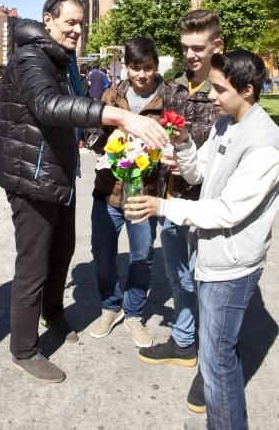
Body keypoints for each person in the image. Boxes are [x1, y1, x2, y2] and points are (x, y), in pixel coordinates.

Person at [0, 0, 168, 384]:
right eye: (69, 22)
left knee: (63, 252)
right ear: (48, 20)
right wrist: (121, 115)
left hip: (57, 175)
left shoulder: (61, 60)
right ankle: (23, 348)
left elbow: (74, 110)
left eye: (80, 24)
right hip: (32, 178)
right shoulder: (31, 58)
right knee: (33, 266)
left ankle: (52, 312)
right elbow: (49, 106)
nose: (76, 30)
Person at [126, 50, 279, 430]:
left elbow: (227, 211)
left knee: (217, 361)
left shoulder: (265, 144)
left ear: (247, 90)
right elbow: (200, 174)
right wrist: (181, 144)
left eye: (219, 89)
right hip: (212, 254)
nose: (211, 97)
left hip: (233, 265)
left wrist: (163, 208)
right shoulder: (227, 122)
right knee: (216, 356)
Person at [137, 10, 222, 414]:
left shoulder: (226, 92)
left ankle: (211, 365)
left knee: (209, 283)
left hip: (207, 207)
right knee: (178, 275)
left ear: (216, 47)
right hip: (169, 197)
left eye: (198, 48)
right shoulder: (172, 90)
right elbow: (157, 134)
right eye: (185, 47)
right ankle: (184, 341)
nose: (189, 55)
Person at [89, 36, 166, 347]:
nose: (141, 75)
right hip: (107, 191)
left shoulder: (167, 97)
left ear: (156, 67)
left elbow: (176, 137)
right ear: (127, 68)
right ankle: (110, 306)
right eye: (135, 68)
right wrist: (100, 144)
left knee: (141, 257)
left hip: (143, 195)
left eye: (147, 68)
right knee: (102, 254)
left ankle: (133, 313)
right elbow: (93, 128)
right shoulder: (112, 94)